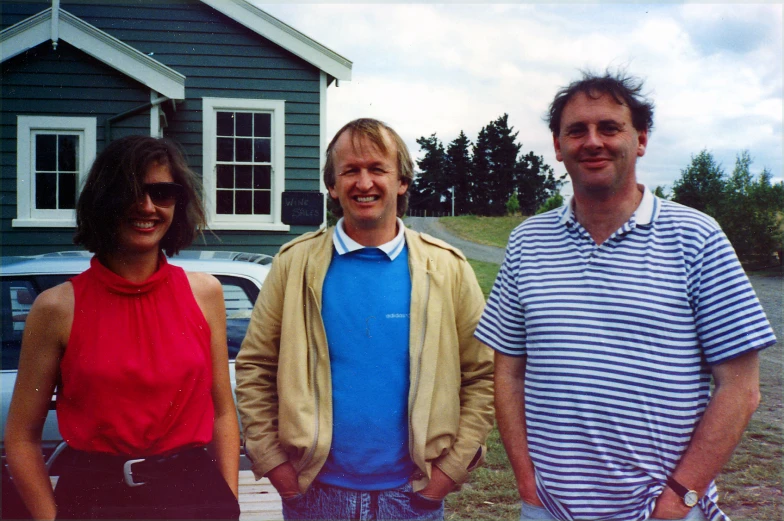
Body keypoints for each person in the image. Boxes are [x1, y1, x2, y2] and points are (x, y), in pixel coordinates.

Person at [475, 70, 776, 521]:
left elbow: (740, 388)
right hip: (548, 510)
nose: (592, 141)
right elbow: (509, 372)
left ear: (641, 140)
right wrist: (525, 479)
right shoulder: (527, 242)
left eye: (610, 127)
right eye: (576, 130)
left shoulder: (696, 238)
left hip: (662, 511)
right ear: (557, 147)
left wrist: (679, 499)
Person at [235, 118, 494, 520]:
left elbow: (483, 374)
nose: (364, 182)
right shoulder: (294, 265)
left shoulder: (447, 268)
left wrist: (449, 472)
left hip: (413, 497)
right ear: (333, 187)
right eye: (350, 171)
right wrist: (275, 466)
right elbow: (255, 367)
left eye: (377, 169)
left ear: (402, 181)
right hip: (315, 494)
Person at [4, 135, 241, 520]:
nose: (146, 206)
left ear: (177, 203)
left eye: (161, 192)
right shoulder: (57, 308)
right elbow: (21, 437)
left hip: (194, 495)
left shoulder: (205, 293)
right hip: (97, 499)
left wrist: (227, 500)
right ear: (102, 201)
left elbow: (221, 413)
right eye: (130, 192)